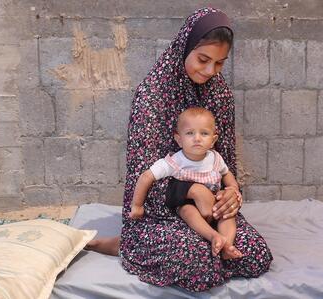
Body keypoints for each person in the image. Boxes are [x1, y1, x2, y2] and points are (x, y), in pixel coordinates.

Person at [86, 7, 273, 291]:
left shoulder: (220, 94)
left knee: (256, 256)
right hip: (158, 212)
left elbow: (226, 165)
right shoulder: (151, 95)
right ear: (185, 46)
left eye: (220, 63)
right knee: (199, 263)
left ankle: (196, 245)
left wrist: (231, 195)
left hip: (210, 212)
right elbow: (143, 178)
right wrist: (190, 191)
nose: (210, 71)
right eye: (203, 59)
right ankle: (130, 244)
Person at [129, 107, 243, 260]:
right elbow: (146, 177)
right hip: (188, 204)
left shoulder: (215, 158)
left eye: (204, 133)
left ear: (213, 140)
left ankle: (227, 245)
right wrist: (137, 205)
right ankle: (213, 236)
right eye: (190, 133)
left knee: (227, 215)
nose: (197, 138)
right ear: (179, 139)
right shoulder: (174, 162)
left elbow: (226, 174)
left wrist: (232, 189)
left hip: (213, 203)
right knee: (188, 211)